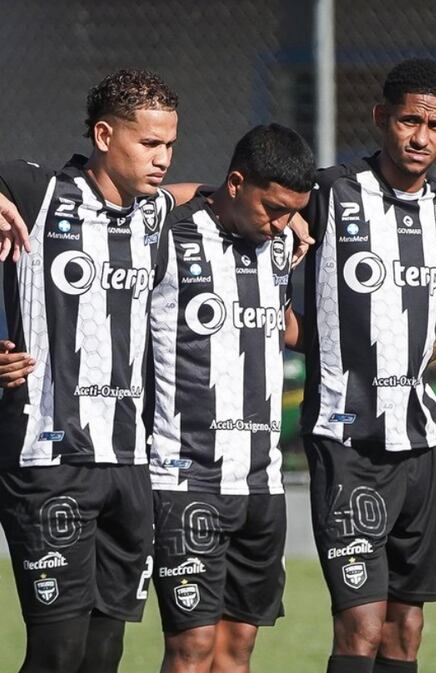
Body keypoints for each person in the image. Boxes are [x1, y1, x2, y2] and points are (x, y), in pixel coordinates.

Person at [0, 69, 197, 673]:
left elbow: (212, 192)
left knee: (104, 653)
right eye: (148, 144)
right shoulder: (37, 191)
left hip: (128, 461)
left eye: (169, 144)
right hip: (45, 458)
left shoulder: (155, 214)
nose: (161, 158)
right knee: (58, 651)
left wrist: (298, 217)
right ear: (104, 134)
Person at [298, 58, 436, 673]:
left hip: (421, 442)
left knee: (406, 627)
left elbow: (431, 287)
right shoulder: (326, 191)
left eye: (433, 125)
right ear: (380, 119)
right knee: (361, 626)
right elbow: (233, 201)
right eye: (407, 121)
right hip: (349, 443)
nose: (419, 137)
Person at [147, 123, 312, 673]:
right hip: (185, 477)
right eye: (274, 208)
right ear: (236, 183)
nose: (283, 224)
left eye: (293, 212)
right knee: (190, 650)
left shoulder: (281, 242)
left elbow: (284, 326)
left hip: (262, 481)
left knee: (237, 649)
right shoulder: (166, 234)